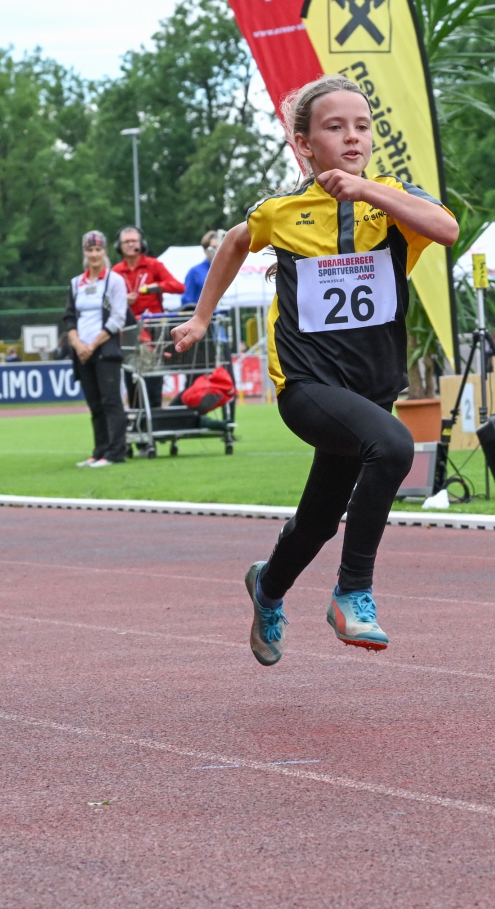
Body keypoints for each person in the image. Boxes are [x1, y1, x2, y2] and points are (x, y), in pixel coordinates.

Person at [173, 74, 459, 665]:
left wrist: (367, 191)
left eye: (363, 126)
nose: (353, 137)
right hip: (305, 386)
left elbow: (447, 229)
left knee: (320, 519)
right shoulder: (282, 212)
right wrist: (201, 319)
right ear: (304, 144)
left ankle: (267, 585)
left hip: (369, 387)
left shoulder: (392, 201)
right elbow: (234, 243)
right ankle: (353, 592)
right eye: (335, 127)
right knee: (393, 446)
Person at [63, 230, 129, 468]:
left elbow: (118, 317)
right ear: (84, 252)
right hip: (82, 352)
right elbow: (70, 317)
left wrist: (93, 344)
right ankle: (99, 450)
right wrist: (78, 344)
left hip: (106, 350)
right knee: (94, 404)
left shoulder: (114, 281)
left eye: (98, 249)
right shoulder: (76, 284)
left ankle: (116, 452)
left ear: (105, 251)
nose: (94, 254)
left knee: (111, 401)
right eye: (89, 250)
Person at [113, 226, 185, 319]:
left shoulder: (154, 264)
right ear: (119, 246)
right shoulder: (116, 271)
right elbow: (107, 298)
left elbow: (180, 287)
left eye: (134, 241)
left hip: (153, 322)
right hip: (127, 322)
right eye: (126, 242)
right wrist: (123, 298)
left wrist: (158, 286)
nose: (130, 244)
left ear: (141, 244)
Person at [182, 229, 223, 308]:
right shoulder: (194, 272)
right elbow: (187, 301)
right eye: (213, 247)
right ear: (205, 250)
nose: (216, 251)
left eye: (218, 247)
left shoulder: (221, 270)